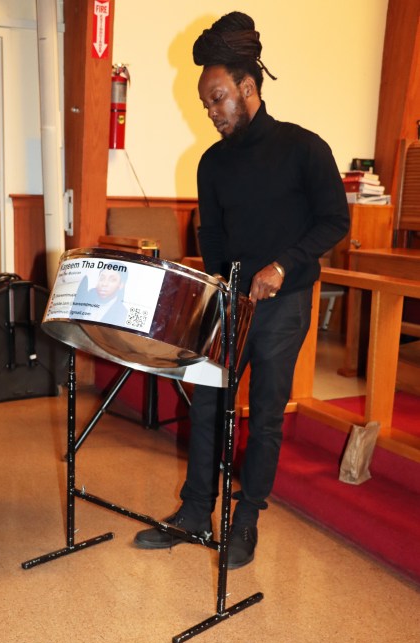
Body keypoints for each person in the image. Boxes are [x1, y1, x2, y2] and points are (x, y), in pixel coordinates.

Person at [134, 11, 350, 568]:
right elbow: (211, 232)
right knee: (207, 403)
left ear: (247, 89)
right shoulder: (210, 164)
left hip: (284, 305)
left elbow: (333, 221)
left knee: (268, 414)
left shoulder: (304, 148)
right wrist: (223, 281)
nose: (211, 113)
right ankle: (194, 510)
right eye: (207, 103)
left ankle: (247, 518)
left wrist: (283, 264)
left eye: (218, 99)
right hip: (230, 303)